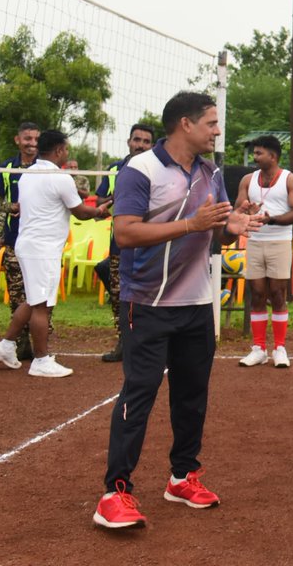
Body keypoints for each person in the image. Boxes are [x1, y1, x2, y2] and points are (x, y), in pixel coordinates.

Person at [92, 91, 259, 529]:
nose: (217, 131)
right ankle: (114, 493)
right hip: (147, 303)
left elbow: (215, 234)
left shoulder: (210, 171)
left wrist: (232, 226)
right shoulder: (139, 169)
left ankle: (182, 477)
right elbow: (125, 234)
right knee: (139, 395)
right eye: (211, 123)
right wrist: (193, 224)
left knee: (192, 396)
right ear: (185, 124)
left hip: (197, 305)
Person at [0, 130, 111, 377]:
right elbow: (79, 212)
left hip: (28, 245)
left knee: (34, 299)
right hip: (42, 250)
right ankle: (41, 360)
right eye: (65, 149)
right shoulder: (60, 177)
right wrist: (100, 212)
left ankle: (6, 345)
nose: (67, 153)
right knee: (42, 305)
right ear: (58, 151)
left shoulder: (26, 175)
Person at [236, 135, 293, 368]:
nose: (254, 157)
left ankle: (280, 348)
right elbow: (238, 208)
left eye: (259, 153)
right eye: (255, 153)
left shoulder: (290, 180)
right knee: (256, 293)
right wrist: (246, 209)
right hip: (255, 242)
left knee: (277, 293)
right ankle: (258, 348)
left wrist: (271, 220)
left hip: (279, 241)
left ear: (273, 156)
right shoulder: (248, 179)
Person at [94, 123, 156, 362]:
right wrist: (112, 199)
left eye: (146, 141)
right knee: (121, 296)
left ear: (152, 145)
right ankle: (124, 342)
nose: (140, 145)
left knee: (152, 295)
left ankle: (152, 343)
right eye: (136, 140)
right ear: (129, 141)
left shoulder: (158, 169)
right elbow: (100, 197)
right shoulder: (116, 169)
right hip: (121, 244)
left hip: (152, 245)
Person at [0, 121, 40, 361]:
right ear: (18, 140)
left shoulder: (46, 166)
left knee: (41, 296)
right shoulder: (7, 167)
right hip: (14, 241)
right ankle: (21, 344)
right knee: (17, 294)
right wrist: (11, 207)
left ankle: (43, 343)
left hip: (40, 242)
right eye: (27, 139)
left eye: (35, 140)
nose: (32, 144)